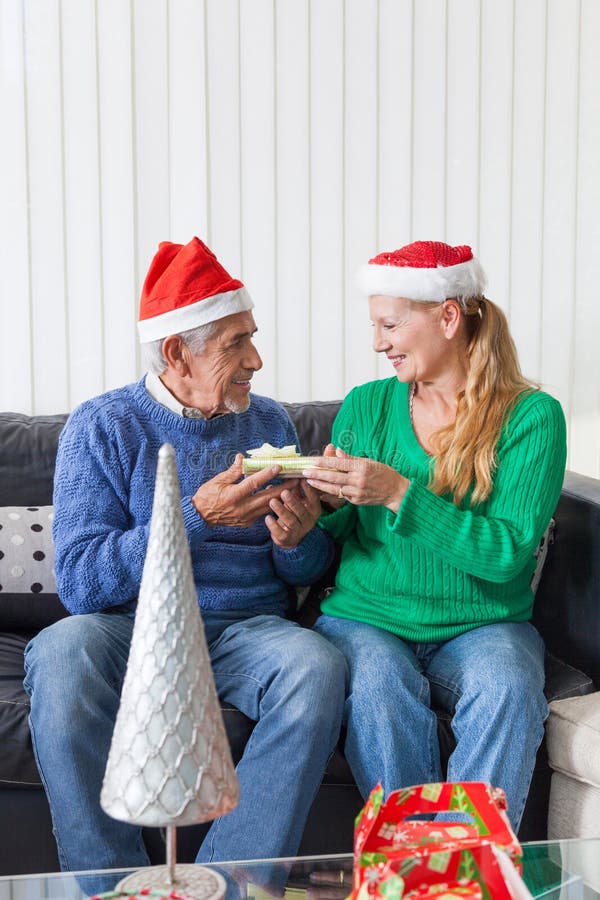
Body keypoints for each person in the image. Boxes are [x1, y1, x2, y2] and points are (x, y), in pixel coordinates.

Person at [23, 237, 347, 886]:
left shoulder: (271, 421)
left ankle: (228, 885)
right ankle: (112, 890)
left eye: (252, 337)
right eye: (235, 343)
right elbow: (83, 584)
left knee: (317, 665)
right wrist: (196, 515)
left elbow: (301, 571)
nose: (256, 359)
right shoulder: (102, 426)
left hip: (244, 628)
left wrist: (299, 538)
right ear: (176, 353)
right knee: (62, 653)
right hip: (129, 625)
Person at [303, 239, 567, 831]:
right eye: (374, 326)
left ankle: (460, 880)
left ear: (448, 318)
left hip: (483, 623)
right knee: (377, 690)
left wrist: (399, 492)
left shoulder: (531, 418)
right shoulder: (367, 406)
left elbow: (506, 554)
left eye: (390, 324)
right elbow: (345, 527)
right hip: (367, 618)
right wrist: (317, 505)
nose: (378, 343)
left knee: (508, 687)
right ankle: (409, 877)